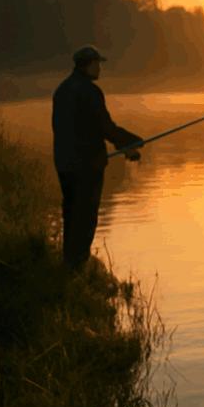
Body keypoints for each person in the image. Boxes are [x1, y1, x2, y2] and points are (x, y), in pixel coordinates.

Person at [52, 45, 143, 271]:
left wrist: (125, 144)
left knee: (71, 215)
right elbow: (105, 127)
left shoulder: (62, 89)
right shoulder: (90, 91)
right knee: (87, 217)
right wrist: (131, 142)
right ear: (88, 64)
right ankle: (77, 268)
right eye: (98, 64)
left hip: (64, 163)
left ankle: (69, 264)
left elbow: (63, 128)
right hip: (87, 166)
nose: (100, 68)